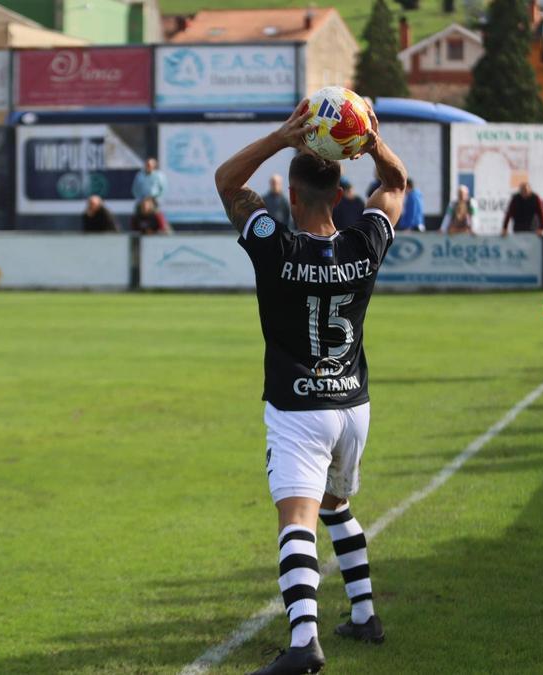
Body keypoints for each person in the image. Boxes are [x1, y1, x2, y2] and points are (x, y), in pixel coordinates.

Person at [214, 99, 406, 674]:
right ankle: (366, 615)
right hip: (353, 406)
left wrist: (281, 136)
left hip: (300, 407)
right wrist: (369, 140)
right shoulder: (363, 242)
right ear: (343, 197)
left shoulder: (275, 243)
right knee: (335, 504)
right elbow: (396, 184)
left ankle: (303, 645)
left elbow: (227, 182)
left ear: (291, 197)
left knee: (296, 519)